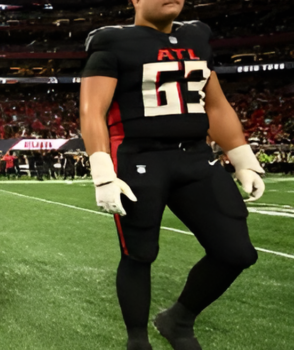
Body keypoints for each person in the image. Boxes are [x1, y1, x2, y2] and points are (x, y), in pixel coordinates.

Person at [80, 1, 265, 349]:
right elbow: (93, 109)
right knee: (139, 253)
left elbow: (215, 104)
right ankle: (137, 340)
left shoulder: (196, 36)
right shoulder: (114, 41)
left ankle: (178, 320)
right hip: (139, 156)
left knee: (236, 252)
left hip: (194, 155)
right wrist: (102, 170)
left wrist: (241, 156)